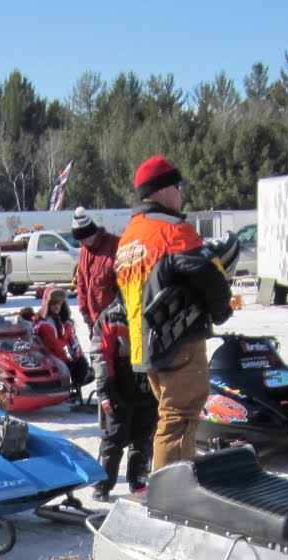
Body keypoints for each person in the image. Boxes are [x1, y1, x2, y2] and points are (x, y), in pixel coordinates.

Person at [115, 155, 233, 470]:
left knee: (170, 416)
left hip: (144, 345)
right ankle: (172, 491)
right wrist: (221, 309)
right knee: (179, 418)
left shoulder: (130, 236)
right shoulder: (173, 230)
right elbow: (207, 273)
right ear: (162, 190)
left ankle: (172, 483)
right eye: (178, 186)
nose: (182, 194)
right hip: (178, 340)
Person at [90, 296, 156, 498]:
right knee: (114, 436)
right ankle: (103, 483)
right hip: (118, 383)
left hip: (149, 381)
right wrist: (105, 388)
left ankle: (138, 481)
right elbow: (100, 354)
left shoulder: (154, 308)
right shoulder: (112, 315)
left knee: (143, 438)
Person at [70, 207, 119, 339]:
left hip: (114, 318)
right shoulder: (85, 251)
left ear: (90, 234)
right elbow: (81, 282)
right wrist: (84, 311)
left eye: (81, 239)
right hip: (94, 319)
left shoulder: (114, 246)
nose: (80, 244)